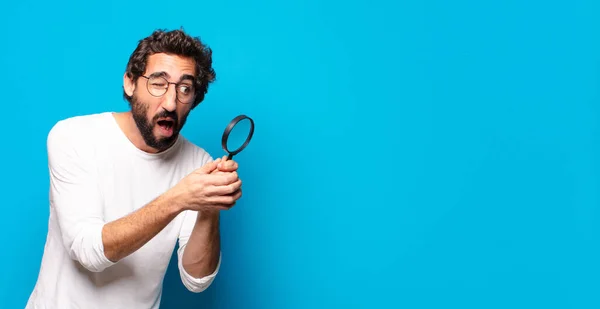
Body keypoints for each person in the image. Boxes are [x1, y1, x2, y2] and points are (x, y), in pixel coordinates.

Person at [26, 28, 242, 309]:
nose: (170, 102)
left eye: (184, 88)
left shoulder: (198, 164)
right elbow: (88, 251)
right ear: (130, 83)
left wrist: (208, 205)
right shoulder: (72, 137)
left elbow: (197, 280)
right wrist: (179, 198)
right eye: (158, 83)